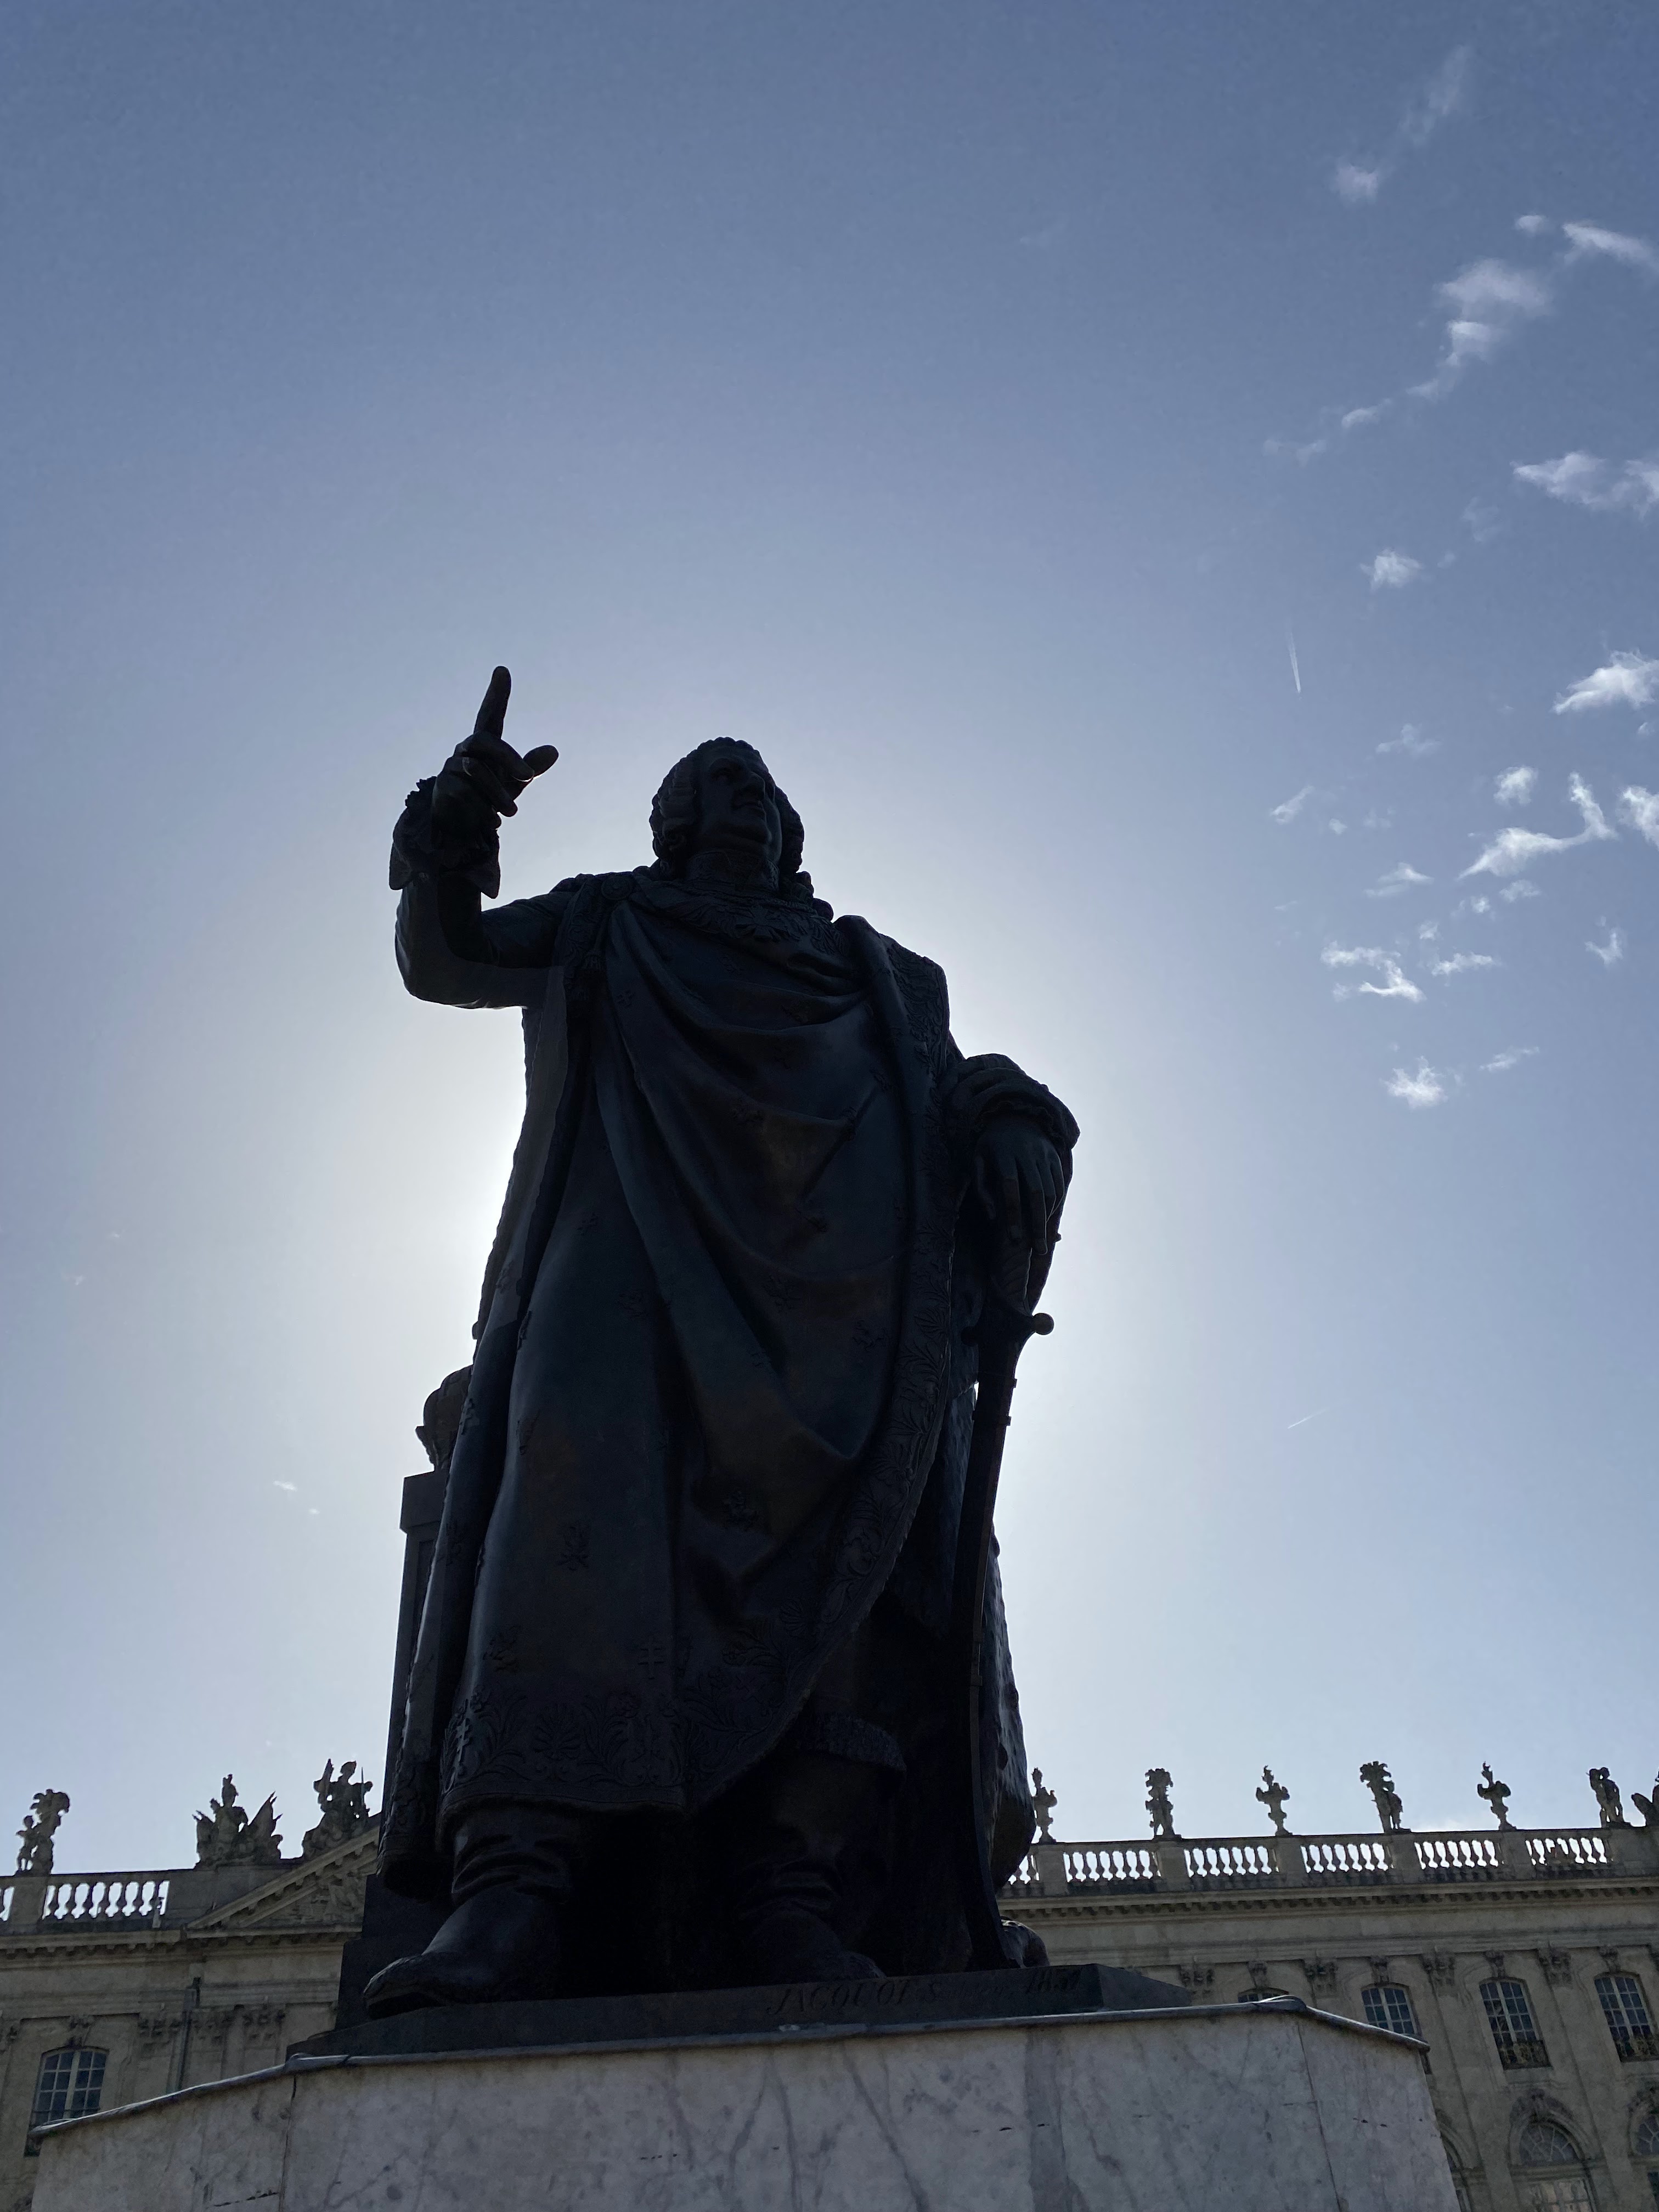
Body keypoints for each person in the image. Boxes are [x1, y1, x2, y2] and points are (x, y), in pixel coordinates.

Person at [369, 669, 1076, 2011]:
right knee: (562, 1537)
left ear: (792, 831)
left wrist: (1014, 1114)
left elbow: (952, 1087)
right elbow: (445, 958)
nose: (740, 803)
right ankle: (514, 1885)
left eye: (758, 789)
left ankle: (789, 1895)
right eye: (713, 788)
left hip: (841, 1318)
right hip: (622, 1267)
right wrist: (456, 823)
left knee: (845, 1582)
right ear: (670, 826)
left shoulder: (883, 976)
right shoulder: (608, 920)